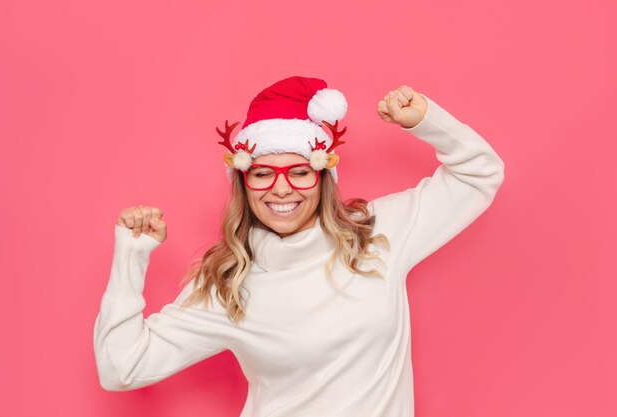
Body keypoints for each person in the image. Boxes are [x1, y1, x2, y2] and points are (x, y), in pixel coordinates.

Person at [93, 75, 505, 417]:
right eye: (262, 174)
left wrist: (427, 121)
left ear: (323, 178)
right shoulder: (227, 283)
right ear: (243, 183)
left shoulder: (378, 236)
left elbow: (478, 175)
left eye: (299, 171)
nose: (282, 188)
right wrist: (132, 256)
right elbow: (121, 367)